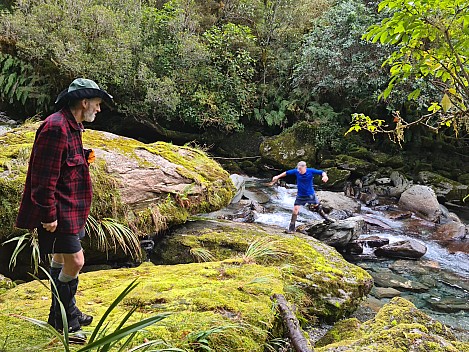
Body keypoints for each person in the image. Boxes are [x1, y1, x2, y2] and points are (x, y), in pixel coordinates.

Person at [16, 78, 113, 342]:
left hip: (72, 209)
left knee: (61, 259)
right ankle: (67, 320)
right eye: (97, 104)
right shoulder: (55, 127)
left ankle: (58, 314)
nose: (99, 109)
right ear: (84, 102)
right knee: (76, 261)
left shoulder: (74, 127)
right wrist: (48, 214)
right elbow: (42, 178)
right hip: (59, 213)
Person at [271, 161, 334, 232]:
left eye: (300, 169)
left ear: (305, 167)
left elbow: (321, 172)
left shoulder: (310, 171)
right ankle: (291, 229)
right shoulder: (296, 171)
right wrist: (277, 177)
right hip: (300, 195)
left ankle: (326, 218)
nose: (299, 171)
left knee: (316, 206)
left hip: (310, 194)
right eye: (298, 169)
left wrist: (325, 176)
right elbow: (286, 173)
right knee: (295, 209)